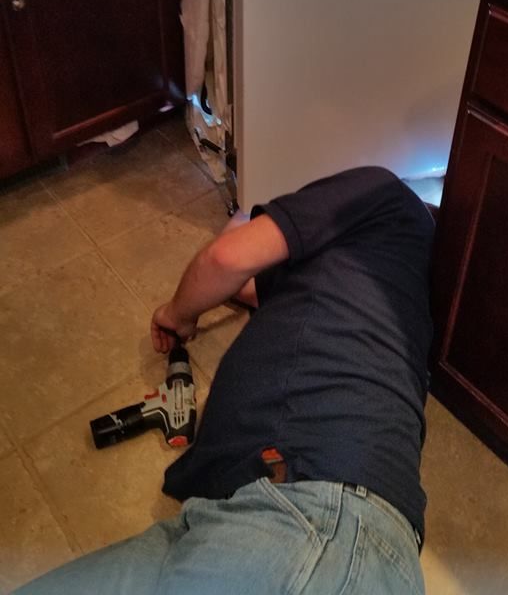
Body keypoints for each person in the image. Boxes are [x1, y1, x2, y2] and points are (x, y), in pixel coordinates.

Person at [16, 166, 434, 595]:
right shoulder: (376, 290)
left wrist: (176, 314)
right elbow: (244, 280)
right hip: (271, 523)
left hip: (319, 519)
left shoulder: (387, 194)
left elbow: (229, 256)